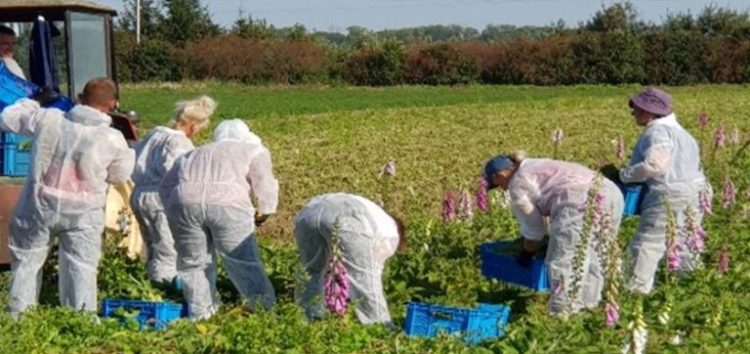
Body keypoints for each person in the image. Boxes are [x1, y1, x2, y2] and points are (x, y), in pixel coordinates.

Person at [1, 78, 135, 316]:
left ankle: (19, 317)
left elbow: (7, 118)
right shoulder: (113, 138)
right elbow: (119, 176)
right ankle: (79, 318)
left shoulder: (49, 119)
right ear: (113, 104)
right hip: (83, 212)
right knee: (81, 266)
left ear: (81, 98)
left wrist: (35, 101)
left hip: (38, 204)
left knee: (27, 262)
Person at [160, 119, 278, 319]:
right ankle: (262, 309)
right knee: (241, 258)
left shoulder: (192, 153)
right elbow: (264, 181)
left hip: (183, 203)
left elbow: (166, 186)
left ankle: (201, 312)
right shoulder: (252, 149)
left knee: (193, 262)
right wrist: (266, 209)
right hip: (228, 204)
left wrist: (173, 210)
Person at [484, 151, 624, 316]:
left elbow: (533, 229)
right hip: (611, 193)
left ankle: (562, 314)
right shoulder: (532, 163)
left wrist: (527, 253)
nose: (502, 188)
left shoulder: (517, 184)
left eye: (498, 184)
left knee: (564, 260)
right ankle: (589, 307)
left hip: (577, 202)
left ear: (499, 176)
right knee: (595, 255)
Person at [617, 87, 710, 294]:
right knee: (687, 241)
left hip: (670, 194)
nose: (633, 113)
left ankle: (635, 292)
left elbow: (655, 165)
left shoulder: (657, 131)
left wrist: (624, 175)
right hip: (697, 192)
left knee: (647, 244)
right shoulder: (684, 134)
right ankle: (692, 287)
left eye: (637, 108)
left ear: (650, 111)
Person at [131, 95, 216, 287]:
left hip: (139, 193)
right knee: (168, 247)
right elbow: (176, 173)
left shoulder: (155, 134)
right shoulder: (179, 142)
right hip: (160, 197)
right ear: (194, 126)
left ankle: (151, 281)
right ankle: (165, 288)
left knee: (152, 244)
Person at [293, 193, 406, 325]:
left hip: (308, 212)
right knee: (364, 278)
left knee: (311, 271)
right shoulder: (391, 234)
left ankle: (309, 319)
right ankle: (379, 325)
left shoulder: (377, 215)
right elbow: (370, 270)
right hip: (348, 215)